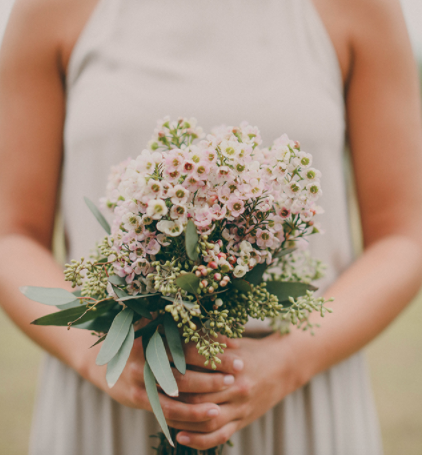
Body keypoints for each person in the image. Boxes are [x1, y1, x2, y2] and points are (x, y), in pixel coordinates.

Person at [1, 0, 422, 453]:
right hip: (110, 397)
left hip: (299, 399)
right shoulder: (48, 10)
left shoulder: (362, 9)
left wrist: (288, 361)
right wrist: (101, 359)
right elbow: (12, 233)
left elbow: (405, 235)